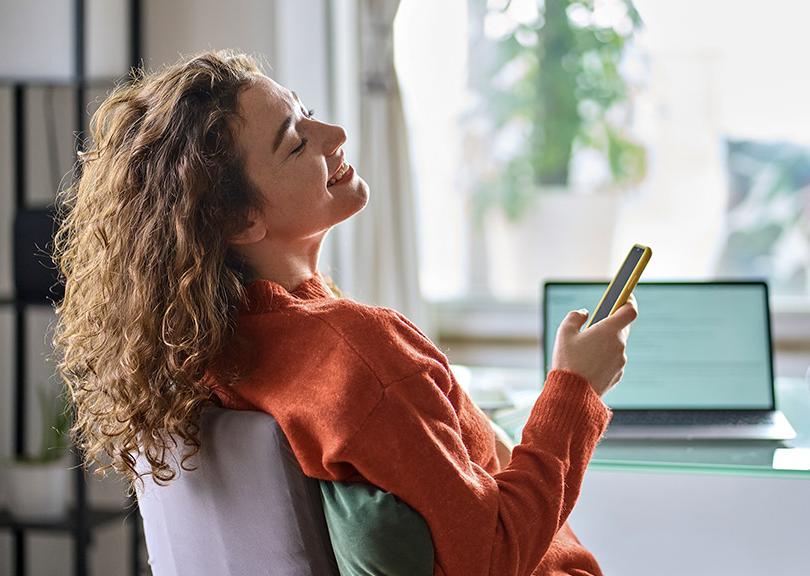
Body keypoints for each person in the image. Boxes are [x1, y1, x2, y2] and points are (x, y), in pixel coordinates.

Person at [54, 50, 638, 576]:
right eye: (295, 140)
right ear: (241, 222)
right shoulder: (357, 348)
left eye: (305, 111)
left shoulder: (200, 349)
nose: (334, 133)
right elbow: (488, 558)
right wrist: (575, 389)